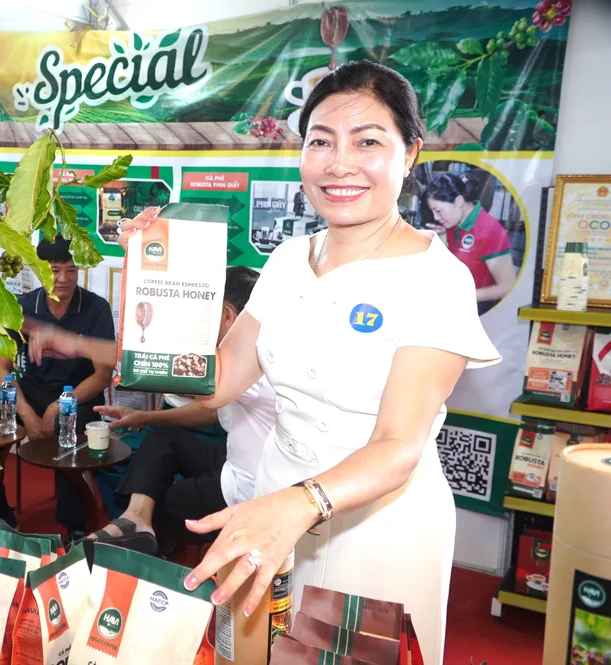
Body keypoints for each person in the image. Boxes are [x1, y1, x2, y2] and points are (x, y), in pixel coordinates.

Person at [118, 61, 499, 665]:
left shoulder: (437, 279)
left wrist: (300, 503)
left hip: (377, 526)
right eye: (320, 141)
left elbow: (400, 444)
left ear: (410, 154)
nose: (339, 163)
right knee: (256, 653)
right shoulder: (290, 258)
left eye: (367, 141)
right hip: (270, 508)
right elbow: (216, 384)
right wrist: (158, 282)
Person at [30, 267, 275, 556]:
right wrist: (146, 418)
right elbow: (210, 410)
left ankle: (149, 551)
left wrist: (73, 344)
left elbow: (153, 364)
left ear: (226, 316)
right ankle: (136, 519)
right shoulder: (252, 351)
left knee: (165, 500)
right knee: (162, 437)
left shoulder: (252, 362)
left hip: (251, 486)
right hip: (232, 459)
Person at [0, 236, 115, 538]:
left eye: (71, 271)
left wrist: (58, 406)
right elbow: (0, 369)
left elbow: (101, 376)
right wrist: (28, 414)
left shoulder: (96, 308)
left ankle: (74, 527)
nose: (63, 279)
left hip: (81, 395)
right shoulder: (21, 307)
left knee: (67, 431)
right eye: (55, 270)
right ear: (40, 269)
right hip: (33, 391)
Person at [424, 172, 516, 314]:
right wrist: (442, 237)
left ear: (459, 201)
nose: (436, 217)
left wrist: (460, 296)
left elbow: (507, 286)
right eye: (433, 212)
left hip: (481, 314)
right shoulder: (451, 223)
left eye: (438, 211)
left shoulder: (490, 230)